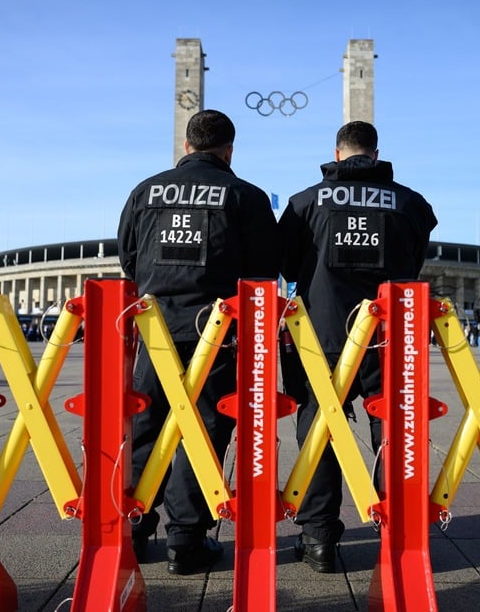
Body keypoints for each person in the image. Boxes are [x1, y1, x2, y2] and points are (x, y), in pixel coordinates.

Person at [117, 109, 279, 575]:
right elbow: (264, 269)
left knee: (146, 424)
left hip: (156, 327)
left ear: (186, 146)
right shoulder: (244, 196)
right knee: (204, 428)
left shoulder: (146, 191)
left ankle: (133, 525)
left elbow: (130, 256)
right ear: (229, 150)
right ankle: (186, 538)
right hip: (216, 331)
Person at [278, 120, 438, 573]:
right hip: (390, 334)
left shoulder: (305, 202)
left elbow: (288, 265)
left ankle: (319, 539)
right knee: (392, 432)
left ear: (337, 151)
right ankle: (401, 535)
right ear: (376, 151)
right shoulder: (410, 203)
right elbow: (413, 262)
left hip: (320, 336)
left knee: (319, 430)